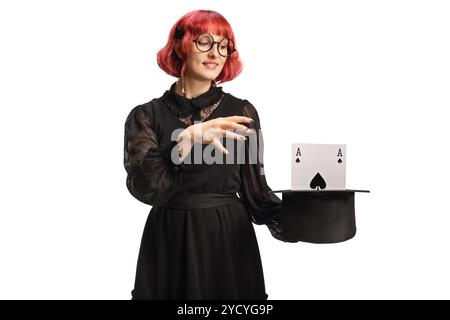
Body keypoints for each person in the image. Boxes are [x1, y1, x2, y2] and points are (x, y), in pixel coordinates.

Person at [123, 9, 288, 300]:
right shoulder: (146, 115)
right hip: (169, 239)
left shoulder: (243, 112)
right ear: (179, 45)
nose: (215, 53)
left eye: (223, 46)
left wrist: (306, 216)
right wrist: (182, 143)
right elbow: (143, 186)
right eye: (204, 42)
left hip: (227, 239)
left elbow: (257, 194)